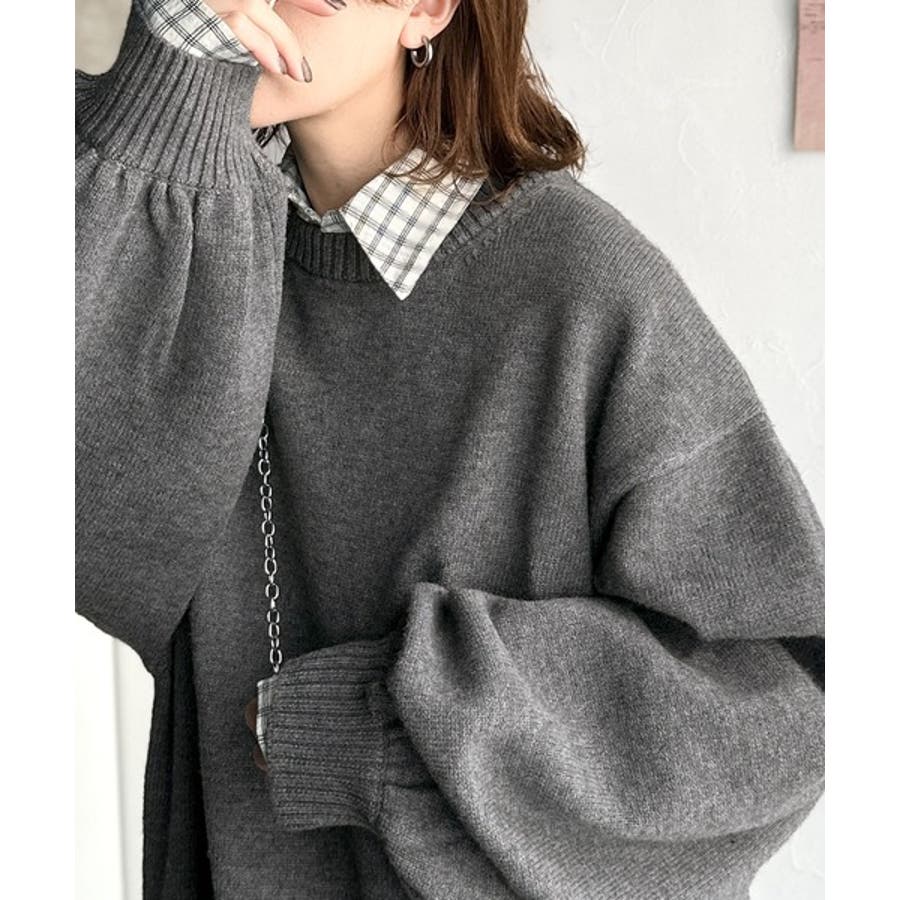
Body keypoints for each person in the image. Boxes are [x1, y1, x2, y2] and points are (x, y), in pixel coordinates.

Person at [75, 1, 826, 898]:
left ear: (427, 9)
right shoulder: (191, 254)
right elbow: (85, 548)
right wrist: (161, 93)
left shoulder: (580, 287)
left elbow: (793, 698)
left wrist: (392, 726)